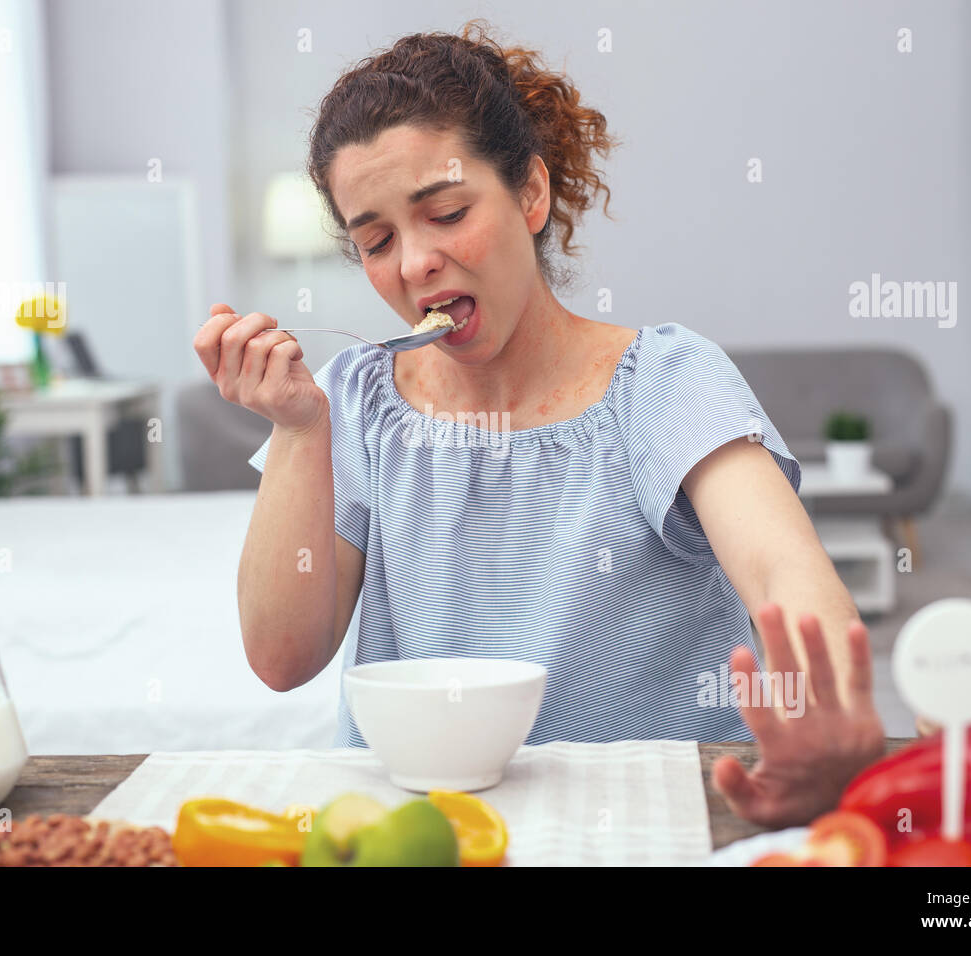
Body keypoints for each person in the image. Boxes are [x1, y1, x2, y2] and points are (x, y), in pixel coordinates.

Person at [194, 20, 883, 827]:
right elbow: (282, 659)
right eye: (377, 240)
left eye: (446, 212)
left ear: (530, 193)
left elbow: (783, 577)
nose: (414, 263)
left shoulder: (663, 381)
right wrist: (298, 431)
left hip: (651, 823)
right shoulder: (349, 402)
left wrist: (826, 722)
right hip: (426, 832)